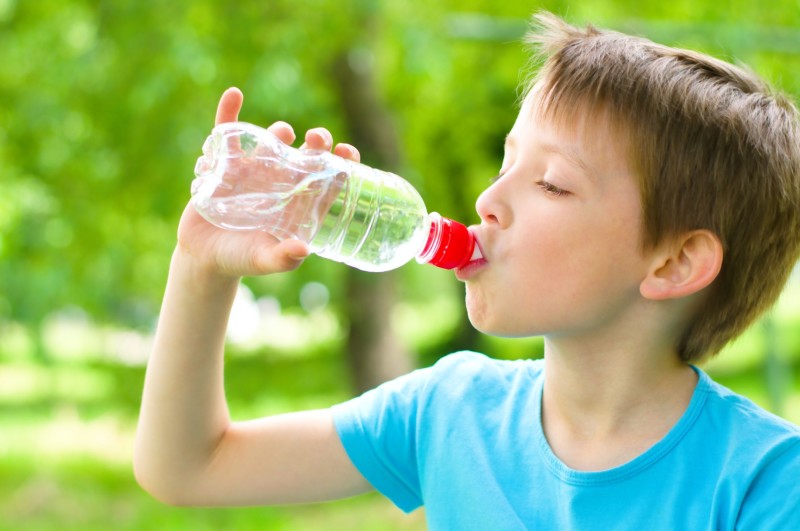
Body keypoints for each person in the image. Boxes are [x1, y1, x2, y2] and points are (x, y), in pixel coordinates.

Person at [134, 12, 800, 529]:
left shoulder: (765, 484)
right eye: (507, 161)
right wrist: (200, 269)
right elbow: (188, 466)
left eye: (551, 184)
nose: (488, 199)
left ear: (675, 261)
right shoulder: (449, 410)